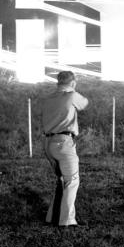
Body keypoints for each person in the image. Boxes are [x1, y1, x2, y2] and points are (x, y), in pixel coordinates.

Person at [41, 70, 89, 226]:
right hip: (64, 142)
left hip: (48, 144)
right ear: (72, 82)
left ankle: (52, 217)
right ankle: (67, 221)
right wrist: (73, 89)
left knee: (61, 181)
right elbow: (84, 103)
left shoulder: (48, 99)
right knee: (72, 181)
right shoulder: (71, 95)